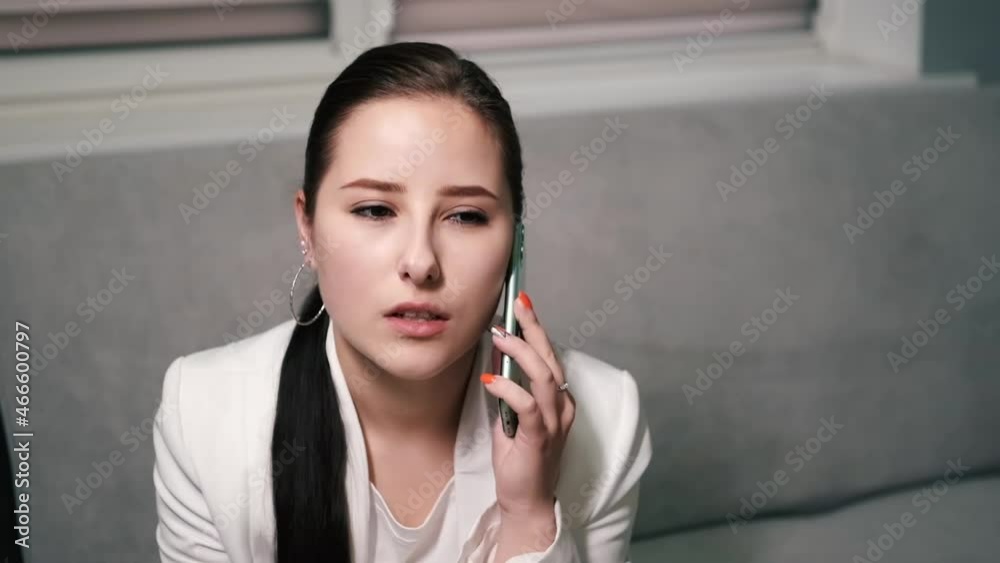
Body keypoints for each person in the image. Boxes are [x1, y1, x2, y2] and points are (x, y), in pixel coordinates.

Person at [153, 41, 652, 563]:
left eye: (466, 216)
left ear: (516, 243)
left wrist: (528, 514)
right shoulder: (205, 413)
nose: (421, 262)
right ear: (308, 226)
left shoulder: (607, 416)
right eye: (374, 210)